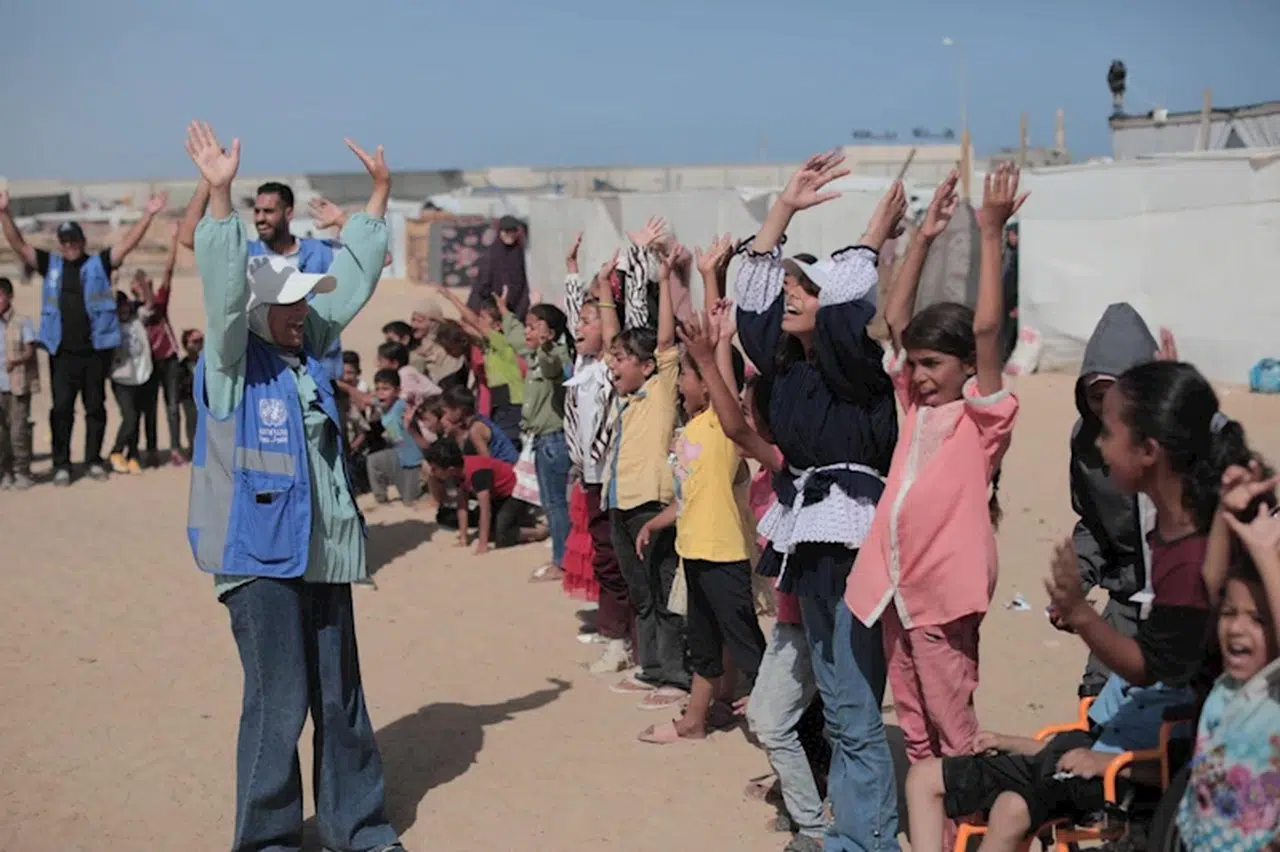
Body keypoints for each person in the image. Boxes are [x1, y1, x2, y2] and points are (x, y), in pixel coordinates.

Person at [905, 359, 1258, 852]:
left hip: (1234, 763)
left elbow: (1155, 666)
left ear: (1150, 450)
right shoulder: (1180, 528)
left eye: (1110, 432)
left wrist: (1082, 614)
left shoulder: (1199, 542)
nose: (1098, 444)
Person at [182, 120, 405, 852]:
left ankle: (361, 831)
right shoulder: (230, 360)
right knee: (279, 704)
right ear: (256, 309)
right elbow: (220, 292)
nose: (305, 308)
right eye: (291, 300)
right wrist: (220, 200)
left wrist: (377, 199)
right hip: (257, 560)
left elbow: (354, 282)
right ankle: (268, 841)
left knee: (339, 703)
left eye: (307, 299)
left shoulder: (305, 350)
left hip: (322, 554)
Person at [735, 151, 902, 852]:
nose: (793, 294)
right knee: (836, 709)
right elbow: (751, 320)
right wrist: (782, 210)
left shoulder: (856, 378)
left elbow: (850, 318)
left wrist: (874, 236)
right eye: (790, 287)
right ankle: (848, 829)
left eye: (809, 287)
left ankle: (868, 838)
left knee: (860, 711)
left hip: (857, 549)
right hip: (812, 554)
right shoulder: (789, 383)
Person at [846, 169, 1021, 781]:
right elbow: (894, 319)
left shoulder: (982, 424)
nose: (918, 375)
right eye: (914, 364)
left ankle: (967, 831)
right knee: (916, 729)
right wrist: (922, 237)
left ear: (967, 366)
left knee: (956, 734)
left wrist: (991, 234)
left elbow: (987, 329)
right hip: (900, 589)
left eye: (933, 364)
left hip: (944, 597)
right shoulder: (919, 409)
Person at [635, 293, 766, 745]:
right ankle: (695, 720)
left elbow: (723, 387)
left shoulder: (719, 426)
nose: (680, 384)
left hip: (723, 554)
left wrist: (719, 340)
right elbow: (690, 498)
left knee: (750, 649)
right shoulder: (690, 429)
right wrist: (658, 522)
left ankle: (793, 736)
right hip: (693, 552)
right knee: (705, 645)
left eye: (687, 376)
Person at [0, 188, 167, 484]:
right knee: (61, 410)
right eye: (64, 242)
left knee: (95, 408)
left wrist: (149, 214)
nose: (69, 246)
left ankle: (93, 460)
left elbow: (127, 244)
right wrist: (4, 213)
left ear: (81, 241)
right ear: (60, 244)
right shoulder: (50, 265)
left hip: (95, 352)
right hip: (61, 353)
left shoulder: (99, 264)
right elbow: (19, 245)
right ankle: (61, 464)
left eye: (73, 241)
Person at [1064, 303, 1173, 696]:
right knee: (1097, 697)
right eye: (1098, 396)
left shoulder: (1183, 434)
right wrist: (1075, 581)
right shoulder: (1087, 444)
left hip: (1184, 601)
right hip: (1127, 597)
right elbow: (1094, 525)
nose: (1110, 409)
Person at [601, 241, 691, 711]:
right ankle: (651, 667)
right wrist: (602, 291)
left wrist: (665, 279)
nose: (612, 365)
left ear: (647, 368)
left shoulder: (658, 392)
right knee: (641, 593)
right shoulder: (626, 399)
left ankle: (676, 675)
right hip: (620, 504)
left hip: (651, 506)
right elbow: (617, 344)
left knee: (662, 587)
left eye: (621, 360)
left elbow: (664, 345)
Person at [1175, 479, 1280, 852]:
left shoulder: (1273, 693)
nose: (1237, 627)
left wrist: (1267, 553)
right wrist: (1225, 513)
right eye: (1230, 614)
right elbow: (1213, 581)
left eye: (1259, 620)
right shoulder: (1227, 684)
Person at [564, 242, 635, 673]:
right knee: (605, 557)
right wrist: (573, 269)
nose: (579, 325)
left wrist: (607, 295)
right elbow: (579, 313)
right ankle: (616, 634)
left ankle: (622, 639)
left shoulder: (610, 367)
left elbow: (610, 332)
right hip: (590, 476)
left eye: (588, 321)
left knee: (618, 559)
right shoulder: (581, 366)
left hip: (613, 476)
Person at [499, 288, 572, 583]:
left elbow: (553, 365)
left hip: (554, 440)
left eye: (535, 326)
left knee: (557, 505)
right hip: (541, 440)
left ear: (552, 332)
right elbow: (514, 333)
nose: (527, 331)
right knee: (551, 504)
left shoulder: (555, 354)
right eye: (528, 325)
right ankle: (560, 557)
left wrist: (545, 346)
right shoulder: (531, 351)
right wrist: (505, 310)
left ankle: (562, 563)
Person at [424, 438, 545, 553]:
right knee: (454, 518)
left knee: (501, 536)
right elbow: (462, 506)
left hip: (513, 494)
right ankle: (519, 520)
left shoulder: (478, 473)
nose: (432, 472)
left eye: (435, 469)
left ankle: (539, 532)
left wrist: (482, 544)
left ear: (450, 469)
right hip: (496, 497)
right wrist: (463, 537)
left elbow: (485, 510)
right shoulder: (457, 472)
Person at [436, 284, 524, 444]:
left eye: (484, 318)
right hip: (502, 401)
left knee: (508, 442)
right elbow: (465, 327)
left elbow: (472, 320)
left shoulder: (501, 341)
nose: (479, 321)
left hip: (512, 403)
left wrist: (451, 297)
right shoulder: (489, 344)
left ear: (497, 326)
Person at [131, 234, 186, 467]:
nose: (143, 286)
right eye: (138, 284)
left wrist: (174, 241)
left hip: (169, 359)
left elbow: (168, 271)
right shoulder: (132, 310)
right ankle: (152, 450)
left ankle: (175, 448)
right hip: (148, 363)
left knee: (173, 406)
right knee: (149, 409)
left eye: (145, 283)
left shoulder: (160, 302)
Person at [108, 291, 155, 474]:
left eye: (125, 304)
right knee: (130, 416)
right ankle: (116, 451)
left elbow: (150, 305)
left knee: (136, 417)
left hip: (142, 375)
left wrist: (145, 286)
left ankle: (133, 455)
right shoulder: (111, 326)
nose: (123, 308)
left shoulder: (137, 320)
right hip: (121, 378)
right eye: (119, 306)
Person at [0, 276, 38, 490]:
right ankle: (6, 472)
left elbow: (30, 350)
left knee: (18, 430)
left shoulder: (23, 321)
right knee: (1, 433)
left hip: (17, 385)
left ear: (9, 296)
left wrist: (16, 360)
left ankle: (22, 471)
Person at [364, 368, 423, 505]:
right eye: (378, 388)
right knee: (373, 461)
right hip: (398, 456)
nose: (380, 392)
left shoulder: (400, 406)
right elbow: (366, 399)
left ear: (397, 391)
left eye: (386, 389)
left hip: (413, 461)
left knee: (409, 501)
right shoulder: (384, 404)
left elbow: (411, 405)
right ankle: (381, 499)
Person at [468, 215, 530, 321]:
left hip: (516, 311)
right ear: (500, 232)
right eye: (506, 231)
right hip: (492, 312)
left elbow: (524, 285)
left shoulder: (521, 255)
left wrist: (520, 313)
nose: (510, 234)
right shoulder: (491, 256)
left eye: (513, 231)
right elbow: (482, 287)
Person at [439, 385, 518, 463]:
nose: (444, 418)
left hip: (509, 467)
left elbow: (487, 463)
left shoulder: (475, 430)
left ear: (459, 410)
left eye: (445, 412)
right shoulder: (480, 419)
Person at [177, 328, 203, 455]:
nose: (199, 344)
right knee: (192, 422)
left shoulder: (206, 361)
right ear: (186, 344)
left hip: (204, 398)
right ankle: (193, 448)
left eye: (201, 340)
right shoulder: (182, 365)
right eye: (195, 341)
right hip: (188, 398)